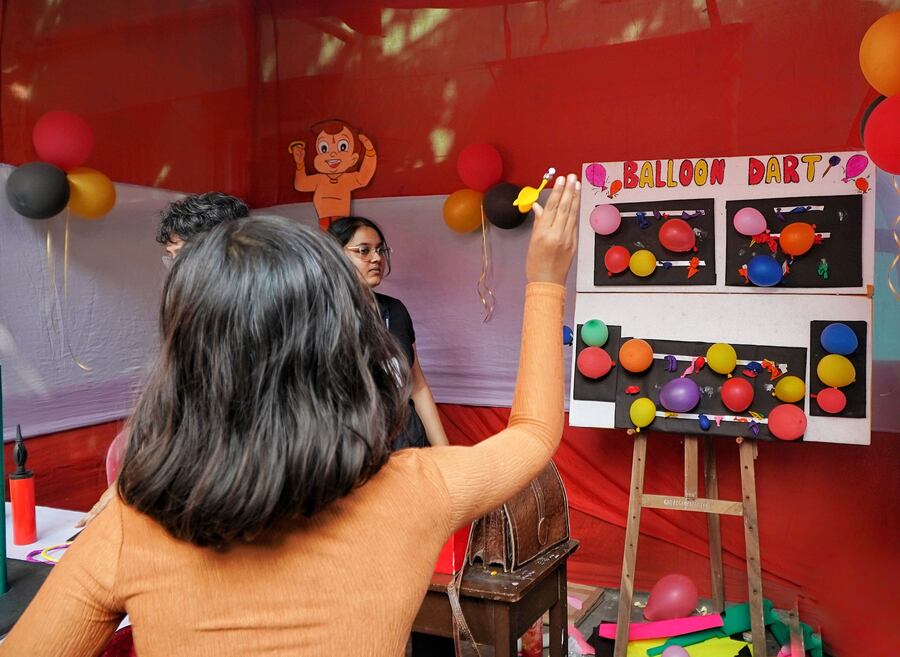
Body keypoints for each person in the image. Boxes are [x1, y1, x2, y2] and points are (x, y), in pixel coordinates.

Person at [2, 174, 580, 657]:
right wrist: (546, 279)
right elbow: (533, 433)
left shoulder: (131, 523)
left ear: (186, 353)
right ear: (348, 345)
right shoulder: (415, 489)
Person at [75, 191, 250, 528]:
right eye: (170, 257)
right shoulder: (191, 318)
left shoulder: (263, 317)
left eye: (181, 256)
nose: (173, 271)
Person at [328, 216, 448, 450]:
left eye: (380, 249)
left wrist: (445, 451)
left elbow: (417, 386)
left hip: (407, 441)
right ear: (335, 255)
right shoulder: (322, 317)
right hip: (353, 448)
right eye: (363, 250)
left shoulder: (395, 310)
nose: (376, 258)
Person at [289, 119, 377, 229]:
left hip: (342, 223)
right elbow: (300, 185)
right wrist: (300, 164)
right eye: (324, 148)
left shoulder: (348, 179)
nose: (333, 154)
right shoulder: (319, 179)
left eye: (342, 147)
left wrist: (370, 153)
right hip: (323, 222)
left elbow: (364, 177)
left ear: (353, 159)